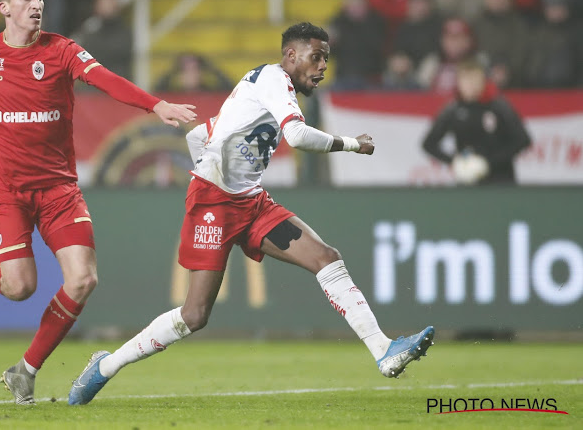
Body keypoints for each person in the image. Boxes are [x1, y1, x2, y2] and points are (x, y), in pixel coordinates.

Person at [68, 22, 435, 406]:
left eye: (326, 58)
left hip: (251, 202)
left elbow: (198, 136)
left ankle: (383, 350)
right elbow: (296, 136)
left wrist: (218, 166)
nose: (323, 66)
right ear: (291, 55)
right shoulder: (275, 82)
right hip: (214, 203)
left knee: (326, 258)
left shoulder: (261, 89)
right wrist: (351, 144)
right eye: (316, 57)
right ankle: (105, 368)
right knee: (194, 315)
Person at [0, 0, 196, 405]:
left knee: (82, 280)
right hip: (7, 190)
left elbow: (105, 80)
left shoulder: (62, 51)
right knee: (18, 287)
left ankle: (25, 370)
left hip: (59, 190)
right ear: (4, 7)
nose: (37, 4)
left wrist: (154, 104)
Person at [422, 59, 531, 185]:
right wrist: (455, 162)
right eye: (466, 80)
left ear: (483, 82)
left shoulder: (499, 106)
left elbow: (523, 140)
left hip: (500, 179)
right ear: (459, 83)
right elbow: (428, 144)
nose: (470, 85)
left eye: (475, 80)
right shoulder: (453, 109)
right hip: (468, 180)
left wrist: (489, 163)